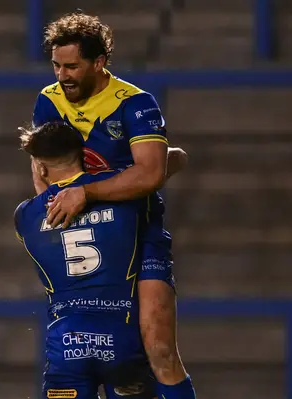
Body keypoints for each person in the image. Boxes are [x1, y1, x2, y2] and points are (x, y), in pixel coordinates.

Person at [30, 12, 196, 399]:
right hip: (85, 238)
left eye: (72, 66)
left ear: (99, 62)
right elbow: (41, 170)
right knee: (87, 351)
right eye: (56, 65)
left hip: (141, 234)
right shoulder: (48, 100)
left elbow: (151, 173)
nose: (62, 75)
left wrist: (86, 193)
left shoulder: (135, 103)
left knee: (159, 346)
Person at [15, 121, 163, 399]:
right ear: (83, 155)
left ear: (40, 167)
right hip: (122, 337)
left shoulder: (24, 216)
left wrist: (45, 183)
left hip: (66, 343)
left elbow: (50, 215)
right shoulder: (127, 195)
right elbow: (167, 164)